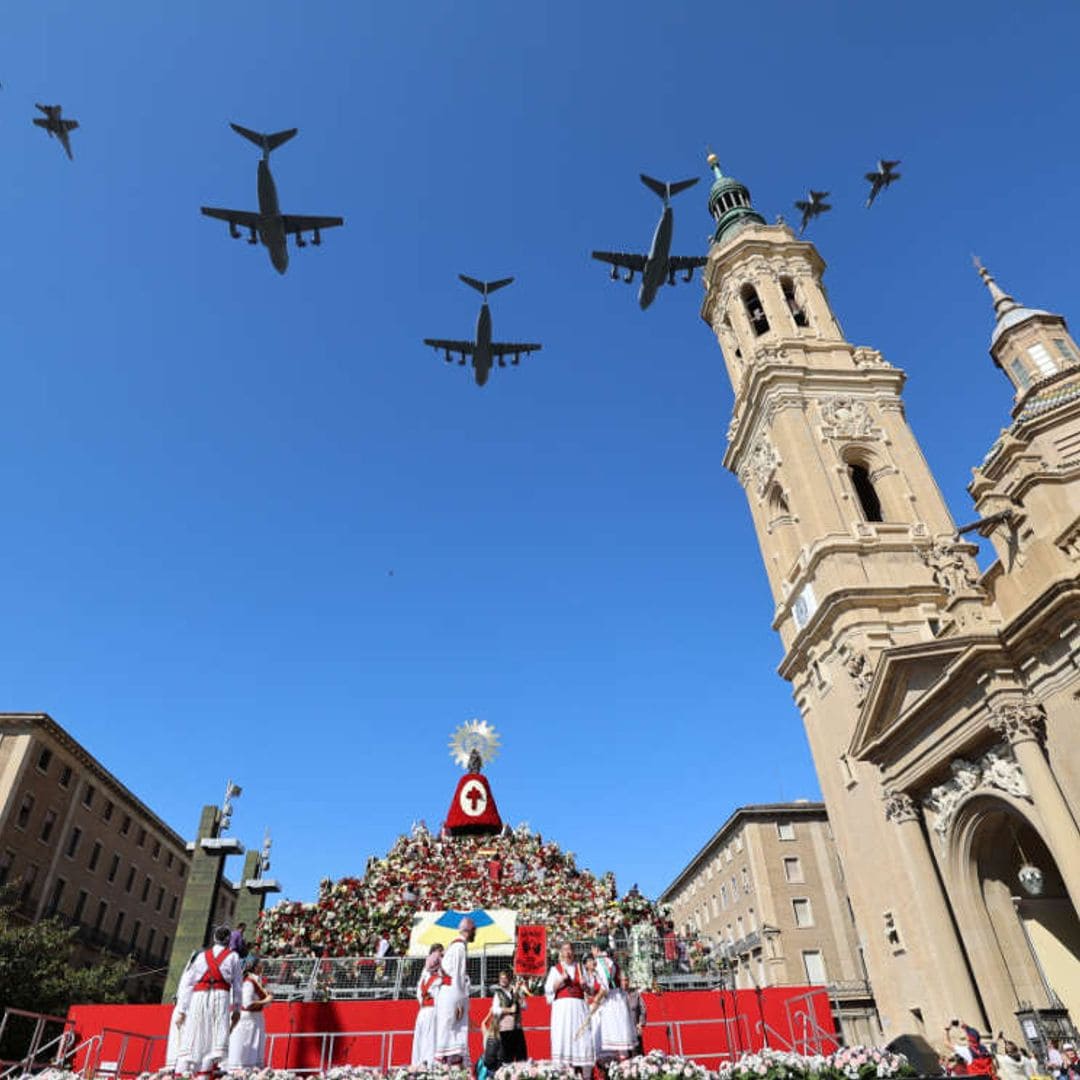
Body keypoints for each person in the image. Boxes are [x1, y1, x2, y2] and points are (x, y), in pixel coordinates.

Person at [175, 926, 244, 1077]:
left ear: (214, 938)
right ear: (228, 939)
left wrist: (182, 1009)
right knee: (215, 1037)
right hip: (221, 996)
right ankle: (204, 1075)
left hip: (198, 998)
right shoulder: (233, 957)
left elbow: (187, 983)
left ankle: (186, 1073)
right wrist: (237, 1009)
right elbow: (238, 985)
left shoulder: (200, 956)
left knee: (195, 1033)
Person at [545, 942, 596, 1076]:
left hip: (579, 1009)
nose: (568, 953)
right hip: (562, 1011)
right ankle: (565, 1074)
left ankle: (586, 1076)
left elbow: (591, 991)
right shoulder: (555, 969)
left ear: (573, 952)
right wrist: (561, 980)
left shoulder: (580, 968)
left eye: (570, 950)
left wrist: (584, 986)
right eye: (565, 950)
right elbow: (548, 990)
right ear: (561, 953)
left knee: (583, 1039)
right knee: (564, 1038)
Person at [435, 917, 475, 1065]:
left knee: (449, 1033)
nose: (475, 933)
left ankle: (447, 1065)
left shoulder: (455, 946)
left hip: (449, 992)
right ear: (467, 930)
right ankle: (447, 1067)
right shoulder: (459, 948)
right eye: (473, 930)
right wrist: (459, 1002)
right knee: (453, 1033)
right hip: (453, 993)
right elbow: (458, 975)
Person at [227, 956, 273, 1068]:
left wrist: (265, 1000)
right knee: (246, 1048)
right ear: (255, 966)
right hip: (247, 1020)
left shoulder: (256, 980)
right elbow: (247, 1004)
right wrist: (265, 1000)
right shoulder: (248, 982)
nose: (262, 966)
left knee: (255, 1047)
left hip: (255, 1019)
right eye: (260, 964)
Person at [592, 945, 636, 1061]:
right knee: (619, 1040)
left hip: (611, 1001)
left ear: (595, 949)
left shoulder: (601, 962)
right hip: (618, 998)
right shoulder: (612, 962)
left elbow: (605, 986)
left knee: (615, 1038)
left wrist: (596, 1000)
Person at [411, 944, 447, 1066]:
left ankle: (423, 1064)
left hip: (427, 1011)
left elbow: (420, 995)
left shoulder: (430, 978)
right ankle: (423, 1064)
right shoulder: (433, 978)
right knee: (425, 1038)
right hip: (428, 1010)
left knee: (425, 1039)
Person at [491, 968, 529, 1063]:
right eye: (501, 978)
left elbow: (525, 1006)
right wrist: (508, 1010)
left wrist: (518, 995)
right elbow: (495, 1009)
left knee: (521, 1055)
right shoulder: (498, 994)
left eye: (505, 978)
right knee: (507, 1056)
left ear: (509, 979)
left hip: (517, 1027)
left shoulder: (516, 991)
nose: (503, 980)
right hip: (505, 1028)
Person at [621, 972, 646, 1057]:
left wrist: (640, 1023)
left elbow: (643, 1009)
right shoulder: (617, 996)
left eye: (626, 980)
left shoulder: (635, 994)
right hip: (622, 1033)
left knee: (638, 1055)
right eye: (622, 980)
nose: (625, 983)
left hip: (635, 1030)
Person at [476, 1012, 504, 1080]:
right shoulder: (501, 1038)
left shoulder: (486, 1033)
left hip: (484, 1063)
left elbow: (483, 1023)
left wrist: (490, 1013)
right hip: (496, 1066)